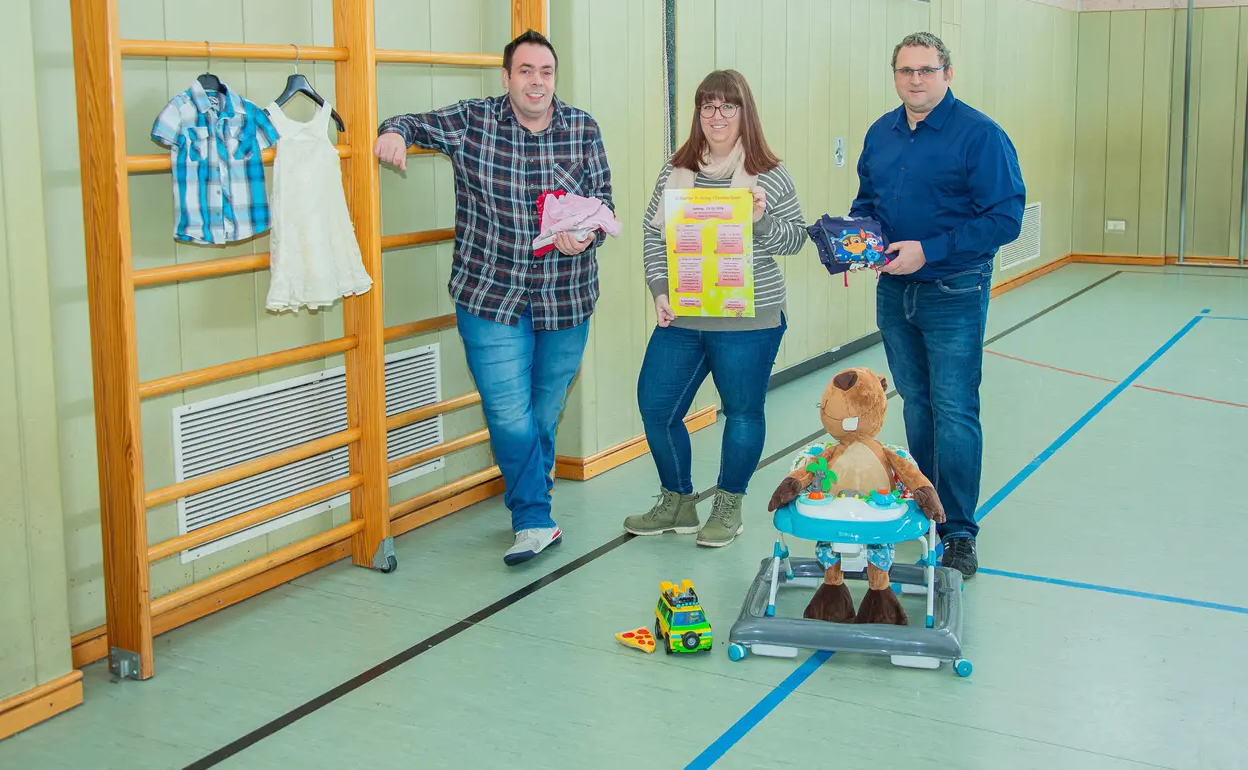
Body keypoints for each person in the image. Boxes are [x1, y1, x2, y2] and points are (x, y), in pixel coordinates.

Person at [375, 30, 613, 566]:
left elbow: (603, 203)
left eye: (545, 72)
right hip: (489, 296)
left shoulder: (582, 128)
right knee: (508, 412)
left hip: (566, 299)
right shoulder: (473, 120)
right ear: (506, 78)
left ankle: (534, 505)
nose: (536, 81)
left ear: (555, 79)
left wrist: (587, 235)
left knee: (543, 412)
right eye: (525, 71)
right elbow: (413, 123)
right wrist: (392, 132)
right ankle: (533, 517)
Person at [849, 32, 1024, 579]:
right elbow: (867, 202)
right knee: (916, 405)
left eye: (926, 70)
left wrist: (930, 251)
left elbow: (1004, 218)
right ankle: (923, 503)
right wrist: (857, 239)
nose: (915, 80)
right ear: (895, 75)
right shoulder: (881, 133)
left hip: (954, 290)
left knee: (953, 410)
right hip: (893, 291)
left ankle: (958, 532)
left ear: (947, 73)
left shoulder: (980, 136)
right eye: (905, 71)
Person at [623, 69, 808, 547]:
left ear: (745, 112)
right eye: (708, 105)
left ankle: (729, 505)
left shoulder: (770, 173)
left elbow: (796, 241)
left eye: (729, 105)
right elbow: (652, 232)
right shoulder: (677, 170)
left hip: (750, 318)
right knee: (656, 405)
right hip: (683, 314)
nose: (717, 115)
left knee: (742, 411)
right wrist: (659, 288)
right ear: (697, 114)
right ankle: (678, 501)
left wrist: (763, 219)